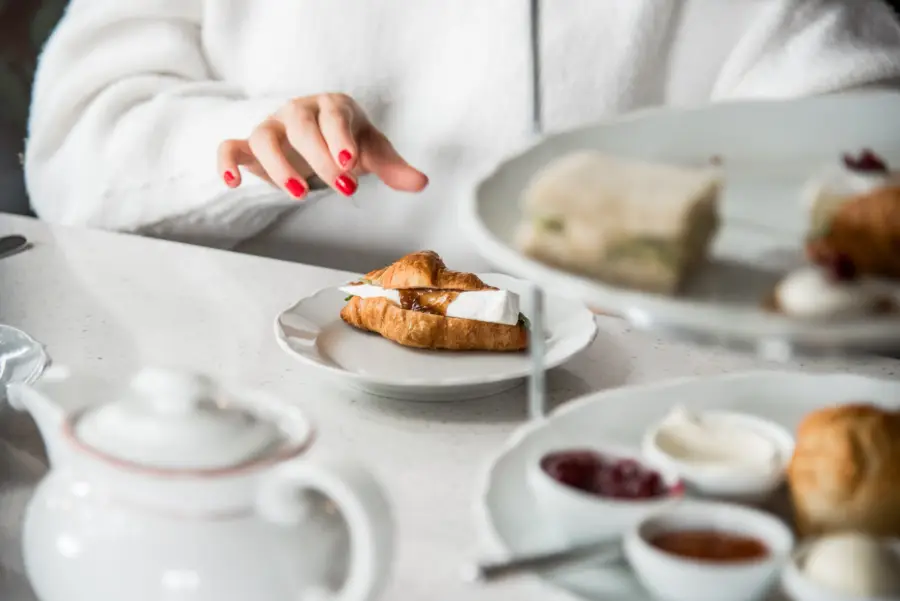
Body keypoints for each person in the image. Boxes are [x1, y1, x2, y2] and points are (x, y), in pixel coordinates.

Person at [22, 0, 900, 273]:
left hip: (641, 433)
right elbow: (73, 152)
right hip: (255, 419)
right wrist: (245, 145)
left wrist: (689, 206)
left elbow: (863, 133)